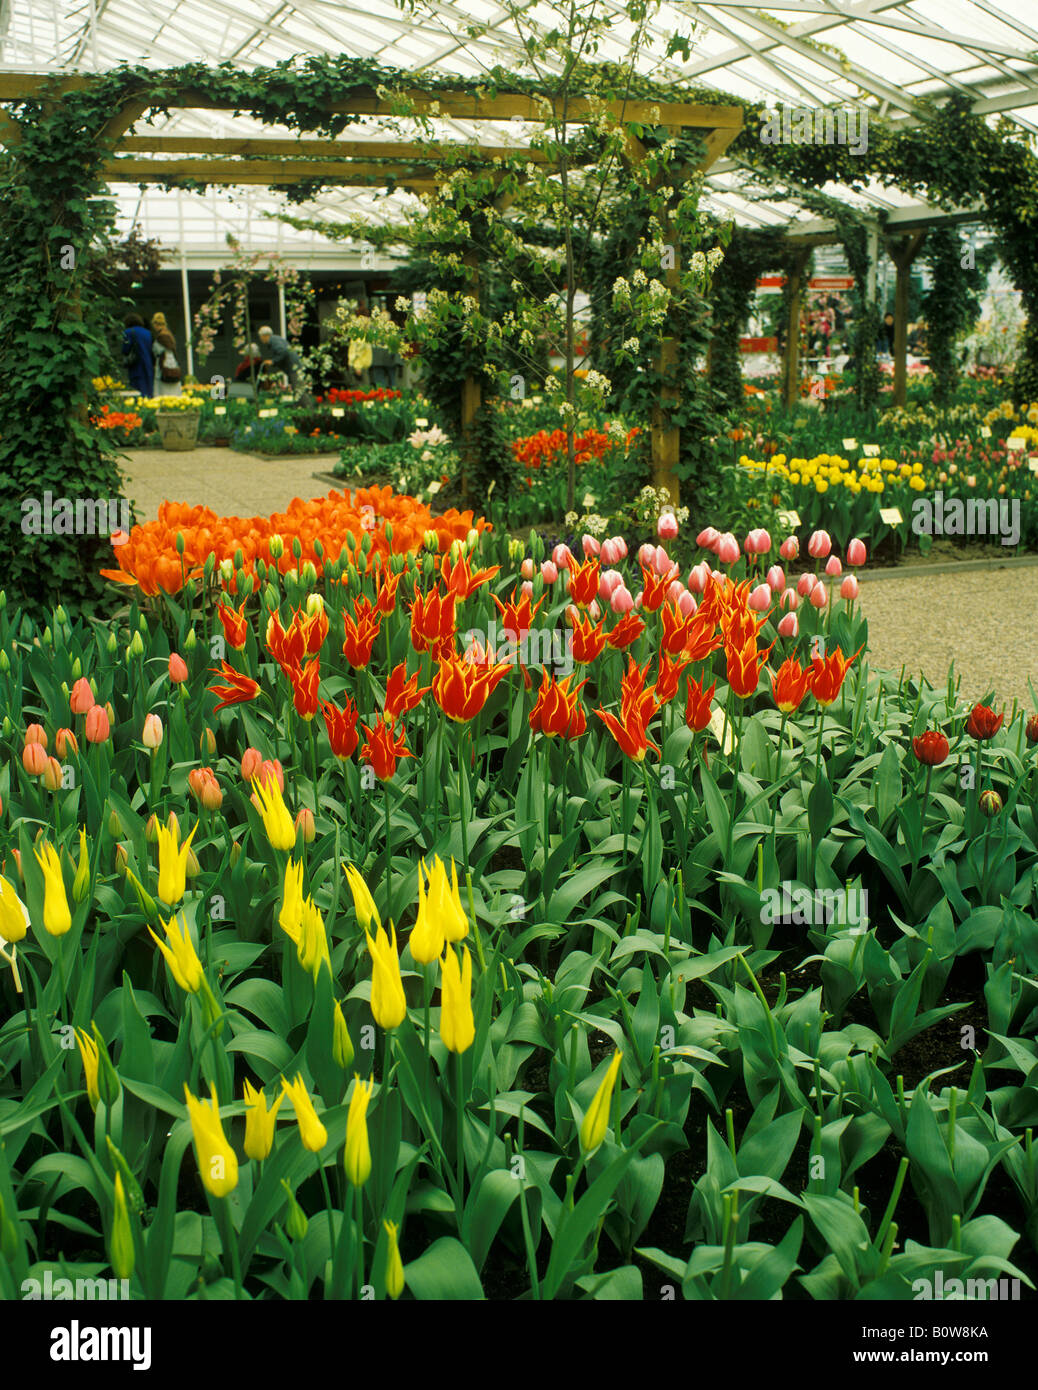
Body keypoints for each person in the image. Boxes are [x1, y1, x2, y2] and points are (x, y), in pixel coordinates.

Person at [121, 313, 154, 399]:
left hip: (136, 365)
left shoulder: (128, 332)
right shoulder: (148, 333)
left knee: (136, 391)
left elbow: (125, 350)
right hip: (148, 364)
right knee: (148, 390)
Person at [150, 312, 182, 396]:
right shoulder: (168, 334)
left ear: (156, 324)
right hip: (172, 363)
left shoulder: (162, 336)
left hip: (163, 364)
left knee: (163, 389)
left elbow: (157, 351)